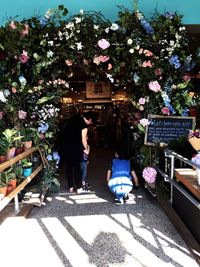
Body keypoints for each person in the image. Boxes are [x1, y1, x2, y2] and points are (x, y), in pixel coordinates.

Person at [61, 108, 92, 193]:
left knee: (69, 167)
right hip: (76, 147)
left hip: (66, 146)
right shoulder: (84, 125)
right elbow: (83, 140)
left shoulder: (71, 119)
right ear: (88, 119)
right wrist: (86, 149)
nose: (90, 123)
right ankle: (78, 188)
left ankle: (71, 187)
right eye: (90, 122)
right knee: (77, 167)